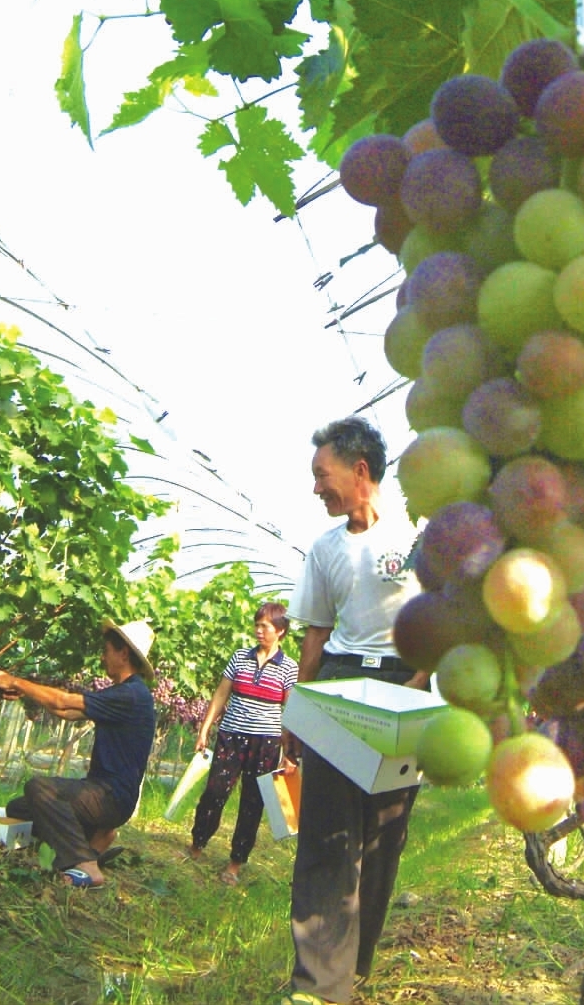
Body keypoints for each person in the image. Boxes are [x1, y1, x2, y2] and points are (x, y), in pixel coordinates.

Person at [283, 416, 422, 1005]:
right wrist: (297, 709)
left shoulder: (420, 533)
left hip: (405, 688)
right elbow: (315, 635)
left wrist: (422, 681)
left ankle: (354, 966)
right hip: (340, 687)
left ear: (359, 471)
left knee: (382, 835)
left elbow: (448, 615)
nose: (317, 488)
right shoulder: (324, 547)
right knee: (325, 833)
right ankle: (319, 984)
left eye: (323, 474)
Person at [0, 619, 157, 889]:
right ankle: (95, 839)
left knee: (40, 788)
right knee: (18, 808)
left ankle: (87, 865)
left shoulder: (131, 695)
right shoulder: (125, 693)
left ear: (123, 653)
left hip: (111, 797)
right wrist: (20, 693)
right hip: (103, 794)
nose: (103, 657)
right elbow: (66, 712)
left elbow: (64, 701)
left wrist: (16, 681)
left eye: (107, 651)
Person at [186, 601, 299, 885]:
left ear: (281, 632)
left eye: (266, 626)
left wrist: (290, 754)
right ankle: (197, 846)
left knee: (252, 802)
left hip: (266, 742)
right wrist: (205, 728)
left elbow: (291, 712)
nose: (259, 631)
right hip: (231, 736)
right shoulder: (239, 658)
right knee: (214, 792)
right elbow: (221, 695)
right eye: (257, 625)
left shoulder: (288, 668)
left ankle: (235, 863)